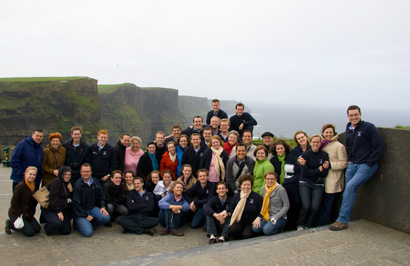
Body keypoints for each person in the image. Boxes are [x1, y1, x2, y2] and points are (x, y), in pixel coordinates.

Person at [329, 105, 384, 231]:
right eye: (351, 115)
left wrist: (370, 162)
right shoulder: (349, 129)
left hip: (366, 165)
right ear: (348, 116)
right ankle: (344, 219)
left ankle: (342, 220)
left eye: (356, 114)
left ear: (360, 115)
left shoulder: (368, 127)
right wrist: (349, 160)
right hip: (353, 164)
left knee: (350, 188)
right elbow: (349, 146)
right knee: (348, 191)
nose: (353, 117)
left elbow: (378, 146)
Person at [317, 124, 348, 226]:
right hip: (322, 178)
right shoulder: (321, 144)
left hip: (333, 179)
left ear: (334, 133)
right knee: (321, 203)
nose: (329, 134)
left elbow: (344, 163)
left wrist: (330, 165)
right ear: (323, 133)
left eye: (330, 132)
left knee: (327, 204)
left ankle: (323, 225)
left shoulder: (339, 146)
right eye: (326, 132)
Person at [297, 135, 329, 230]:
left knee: (315, 207)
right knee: (306, 205)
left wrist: (321, 170)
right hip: (305, 182)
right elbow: (304, 172)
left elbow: (324, 173)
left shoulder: (324, 155)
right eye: (313, 142)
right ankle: (300, 224)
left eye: (318, 142)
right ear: (310, 143)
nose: (315, 144)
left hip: (318, 184)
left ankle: (308, 225)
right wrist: (318, 170)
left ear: (320, 143)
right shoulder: (305, 155)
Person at [282, 130, 310, 231]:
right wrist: (303, 167)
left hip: (310, 180)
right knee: (293, 196)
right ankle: (292, 224)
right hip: (295, 179)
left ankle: (304, 223)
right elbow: (289, 168)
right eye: (299, 138)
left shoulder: (313, 149)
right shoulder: (295, 152)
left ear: (306, 137)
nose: (301, 139)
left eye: (302, 137)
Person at [73, 163, 110, 237]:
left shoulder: (95, 182)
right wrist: (85, 215)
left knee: (106, 217)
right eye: (84, 171)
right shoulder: (77, 185)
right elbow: (76, 204)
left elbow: (101, 195)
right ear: (80, 172)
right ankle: (78, 223)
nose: (86, 173)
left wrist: (103, 206)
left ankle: (91, 223)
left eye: (88, 171)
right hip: (81, 212)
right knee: (88, 233)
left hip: (92, 208)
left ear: (91, 172)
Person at [5, 166, 41, 236]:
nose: (32, 176)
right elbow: (13, 202)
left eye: (34, 175)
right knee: (30, 232)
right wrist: (20, 214)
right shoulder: (20, 186)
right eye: (30, 174)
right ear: (25, 174)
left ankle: (26, 223)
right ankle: (10, 224)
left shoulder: (33, 185)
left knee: (37, 229)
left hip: (27, 213)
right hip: (17, 214)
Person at [252, 171, 289, 236]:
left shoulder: (281, 189)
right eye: (268, 179)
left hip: (279, 216)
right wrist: (259, 217)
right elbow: (264, 204)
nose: (270, 181)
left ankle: (279, 228)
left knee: (267, 231)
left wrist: (276, 217)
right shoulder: (264, 188)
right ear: (265, 180)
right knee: (255, 228)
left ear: (276, 179)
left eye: (272, 179)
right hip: (267, 215)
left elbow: (286, 206)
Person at [228, 174, 263, 240]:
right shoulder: (237, 196)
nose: (246, 186)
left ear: (251, 186)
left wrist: (259, 217)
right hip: (239, 220)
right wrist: (228, 213)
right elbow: (232, 208)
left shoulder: (257, 197)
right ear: (241, 185)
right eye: (244, 184)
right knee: (232, 230)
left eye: (248, 185)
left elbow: (263, 210)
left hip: (251, 222)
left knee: (247, 235)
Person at [42, 166, 73, 235]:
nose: (67, 176)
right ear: (61, 174)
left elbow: (68, 198)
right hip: (50, 209)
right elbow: (53, 199)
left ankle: (59, 225)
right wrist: (58, 211)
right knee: (57, 223)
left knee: (66, 231)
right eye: (65, 174)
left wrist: (71, 191)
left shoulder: (67, 184)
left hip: (62, 208)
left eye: (69, 175)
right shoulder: (56, 182)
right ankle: (48, 228)